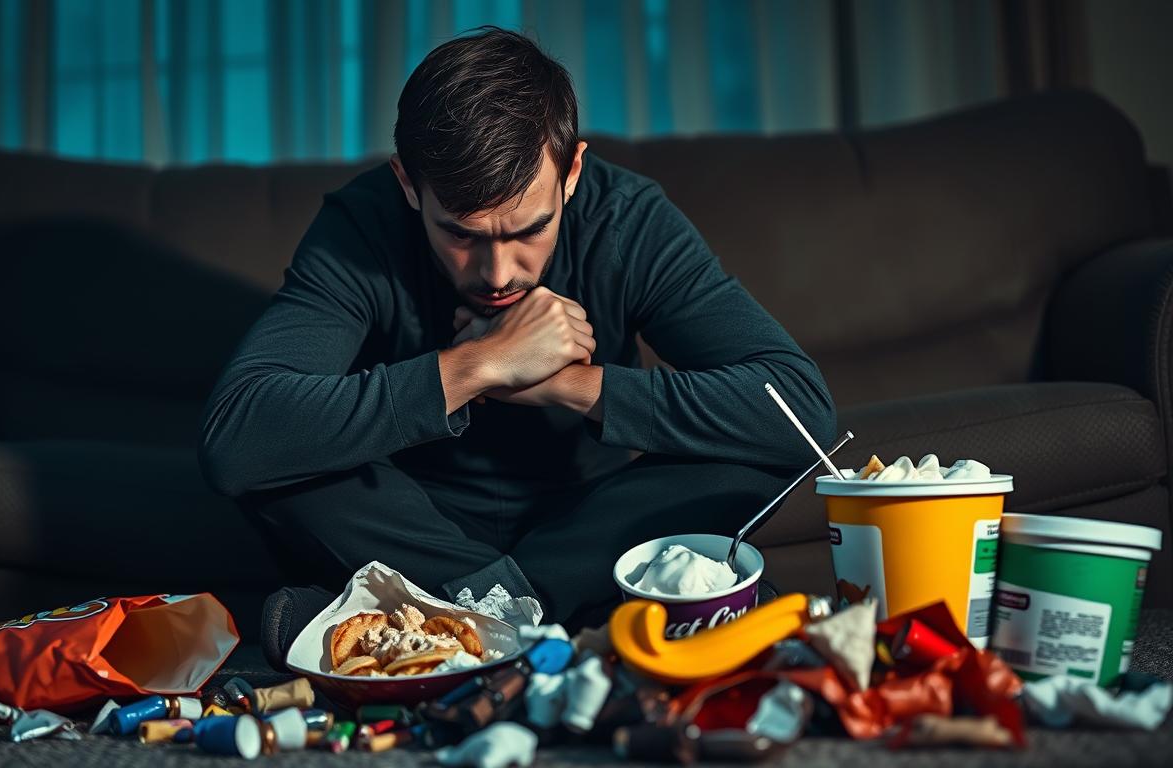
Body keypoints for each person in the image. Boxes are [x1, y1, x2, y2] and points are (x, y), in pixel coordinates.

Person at [197, 27, 836, 665]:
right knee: (275, 463)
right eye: (462, 235)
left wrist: (570, 384)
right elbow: (237, 434)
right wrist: (478, 366)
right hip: (415, 525)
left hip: (592, 525)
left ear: (573, 172)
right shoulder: (361, 225)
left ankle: (454, 621)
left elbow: (801, 409)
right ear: (408, 185)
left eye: (530, 229)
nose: (499, 273)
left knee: (766, 451)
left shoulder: (629, 219)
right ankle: (552, 617)